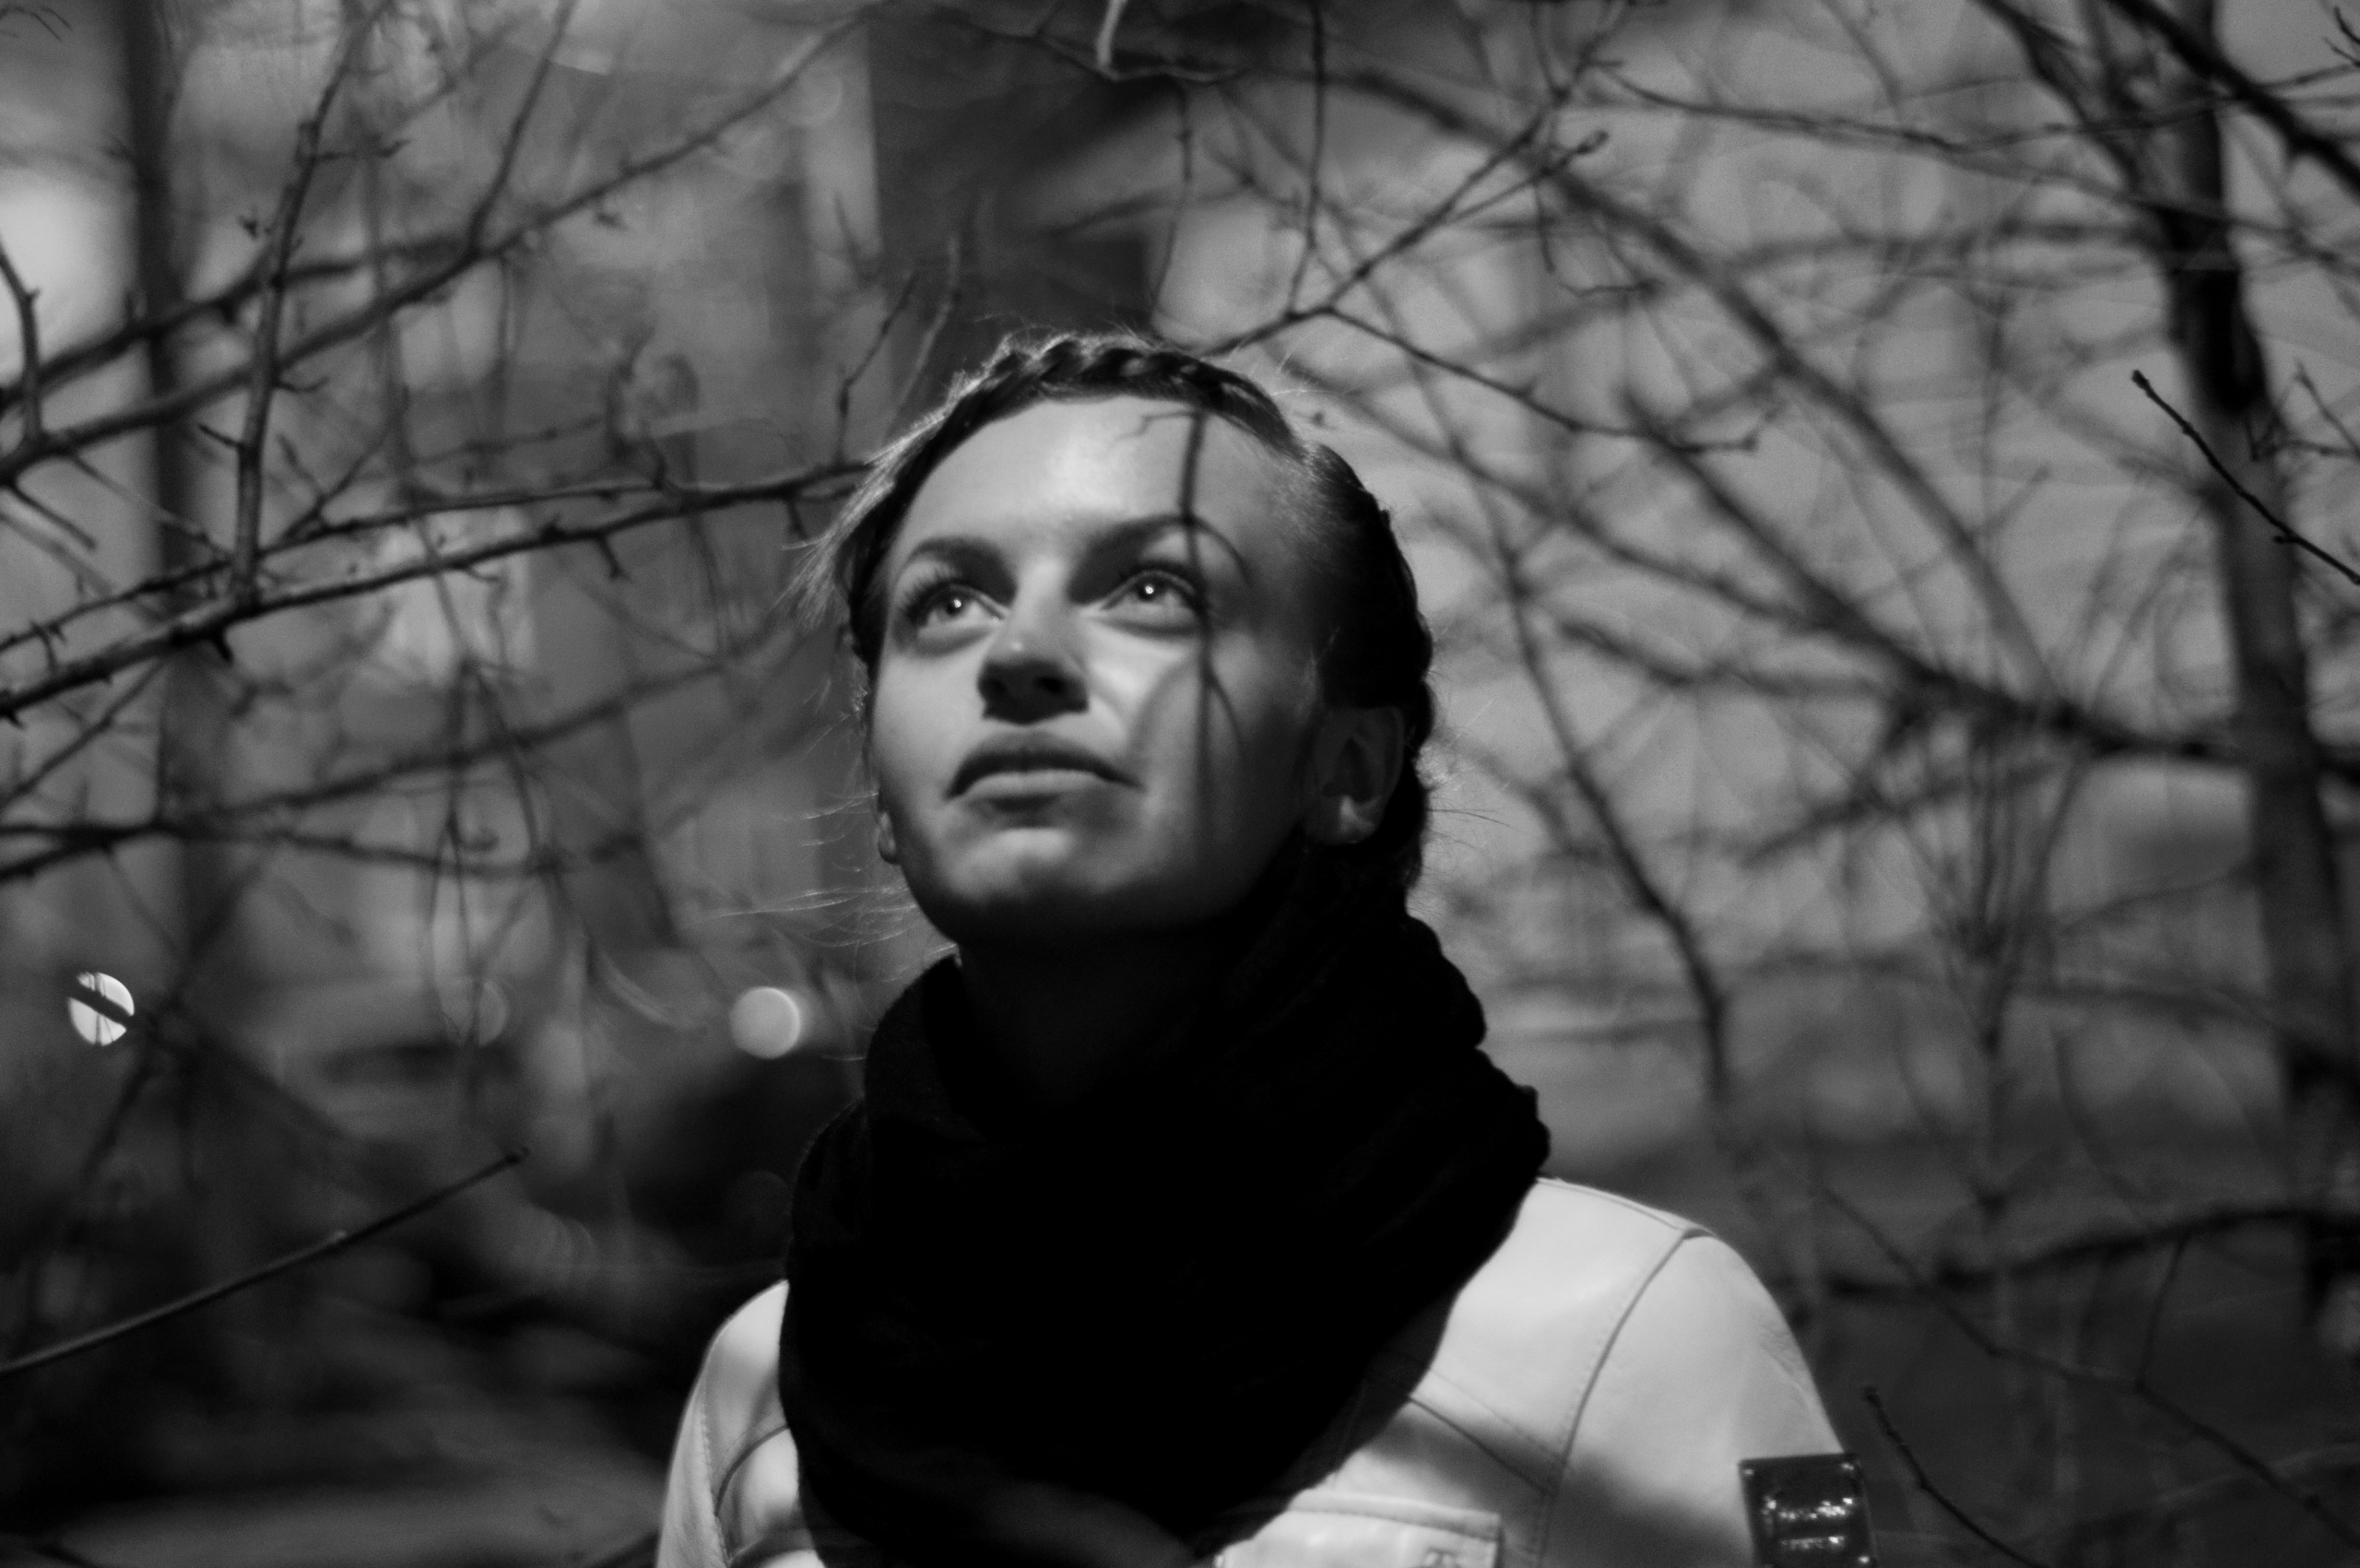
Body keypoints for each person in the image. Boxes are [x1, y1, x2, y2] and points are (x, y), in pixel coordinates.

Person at [655, 333, 1843, 1568]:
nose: (1017, 656)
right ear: (880, 791)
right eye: (948, 602)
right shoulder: (764, 1396)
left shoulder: (1639, 1332)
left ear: (1347, 764)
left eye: (1151, 590)